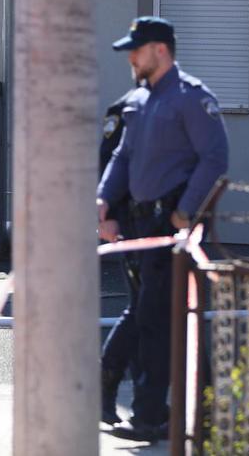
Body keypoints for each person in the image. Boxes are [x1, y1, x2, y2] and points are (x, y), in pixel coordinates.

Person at [96, 16, 229, 443]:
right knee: (165, 316)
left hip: (172, 224)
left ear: (160, 51)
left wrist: (184, 213)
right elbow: (122, 157)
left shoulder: (191, 98)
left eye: (136, 50)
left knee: (155, 318)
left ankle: (151, 414)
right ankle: (203, 411)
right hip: (140, 223)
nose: (130, 58)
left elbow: (215, 158)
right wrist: (103, 200)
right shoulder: (138, 100)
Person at [98, 83, 143, 426]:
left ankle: (148, 400)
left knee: (156, 315)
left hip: (164, 228)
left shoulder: (178, 102)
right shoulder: (125, 110)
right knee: (144, 311)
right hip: (136, 225)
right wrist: (109, 215)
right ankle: (108, 392)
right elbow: (109, 162)